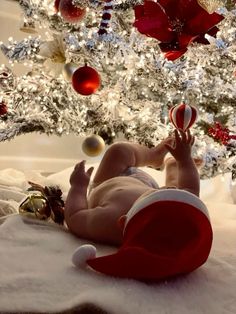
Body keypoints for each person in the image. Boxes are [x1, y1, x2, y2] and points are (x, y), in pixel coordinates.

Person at [65, 129, 202, 246]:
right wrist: (184, 160)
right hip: (144, 184)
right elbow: (190, 190)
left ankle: (159, 159)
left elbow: (74, 216)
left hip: (108, 182)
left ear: (123, 220)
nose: (166, 193)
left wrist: (78, 187)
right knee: (175, 189)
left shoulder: (108, 221)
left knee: (119, 151)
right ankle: (161, 160)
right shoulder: (172, 213)